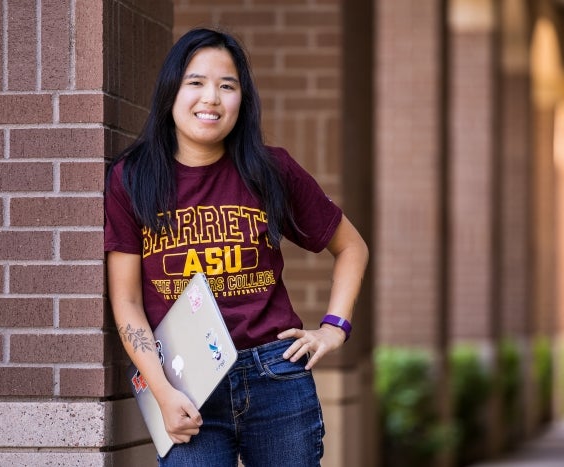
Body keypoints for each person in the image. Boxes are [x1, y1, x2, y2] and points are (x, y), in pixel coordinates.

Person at [104, 27, 368, 467]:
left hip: (275, 376)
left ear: (241, 101)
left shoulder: (270, 170)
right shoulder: (132, 179)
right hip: (186, 385)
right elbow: (127, 300)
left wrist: (334, 327)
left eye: (227, 86)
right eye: (196, 83)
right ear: (171, 91)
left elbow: (351, 247)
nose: (211, 98)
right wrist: (162, 391)